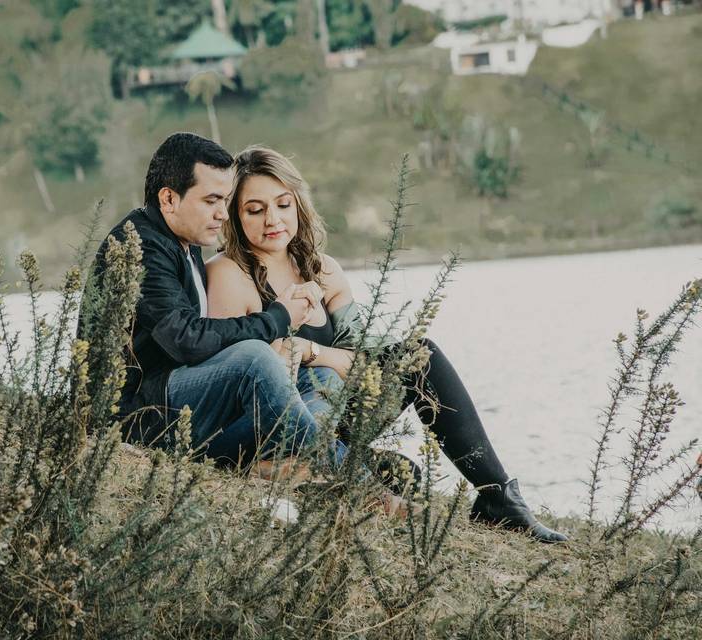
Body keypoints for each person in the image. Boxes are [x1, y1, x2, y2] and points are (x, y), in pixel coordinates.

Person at [205, 146, 568, 543]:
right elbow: (233, 377)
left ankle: (498, 496)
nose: (272, 219)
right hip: (273, 424)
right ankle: (288, 466)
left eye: (282, 204)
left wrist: (310, 352)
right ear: (236, 218)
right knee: (358, 424)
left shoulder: (323, 270)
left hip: (338, 412)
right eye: (255, 210)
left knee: (418, 356)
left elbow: (364, 361)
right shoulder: (227, 274)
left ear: (298, 205)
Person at [82, 132, 329, 481]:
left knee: (316, 377)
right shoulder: (140, 246)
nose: (223, 214)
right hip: (137, 417)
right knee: (255, 359)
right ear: (168, 198)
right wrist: (277, 318)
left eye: (225, 200)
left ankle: (285, 463)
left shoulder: (184, 240)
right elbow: (185, 338)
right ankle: (357, 479)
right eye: (212, 200)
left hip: (181, 405)